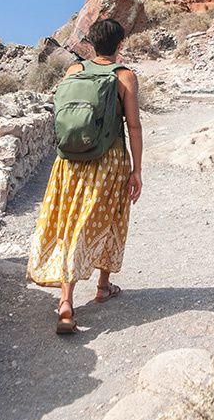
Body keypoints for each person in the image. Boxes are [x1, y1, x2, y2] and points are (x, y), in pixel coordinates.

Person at [26, 18, 143, 333]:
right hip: (109, 161)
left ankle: (67, 298)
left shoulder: (73, 72)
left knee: (72, 224)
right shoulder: (125, 77)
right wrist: (137, 170)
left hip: (70, 162)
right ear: (119, 45)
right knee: (110, 219)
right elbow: (133, 126)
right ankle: (99, 288)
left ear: (91, 45)